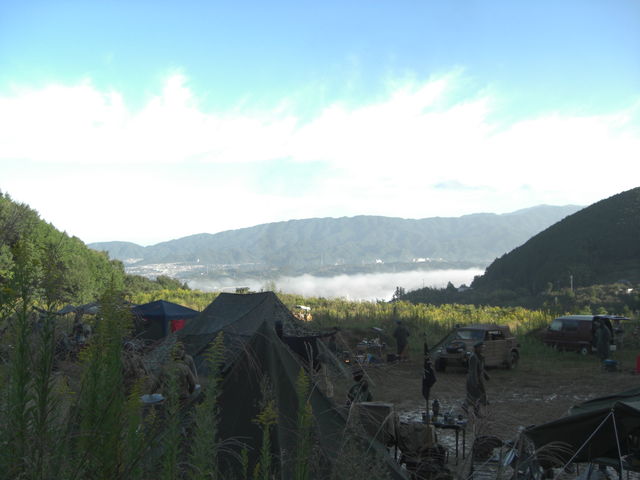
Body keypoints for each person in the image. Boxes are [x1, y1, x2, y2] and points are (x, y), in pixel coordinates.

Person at [464, 341, 490, 415]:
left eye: (483, 347)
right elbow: (473, 371)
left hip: (478, 379)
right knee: (476, 395)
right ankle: (467, 406)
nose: (482, 349)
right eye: (481, 347)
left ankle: (476, 411)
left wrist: (486, 375)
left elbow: (480, 368)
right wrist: (475, 383)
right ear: (476, 348)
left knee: (478, 396)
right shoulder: (473, 357)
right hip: (473, 380)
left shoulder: (479, 356)